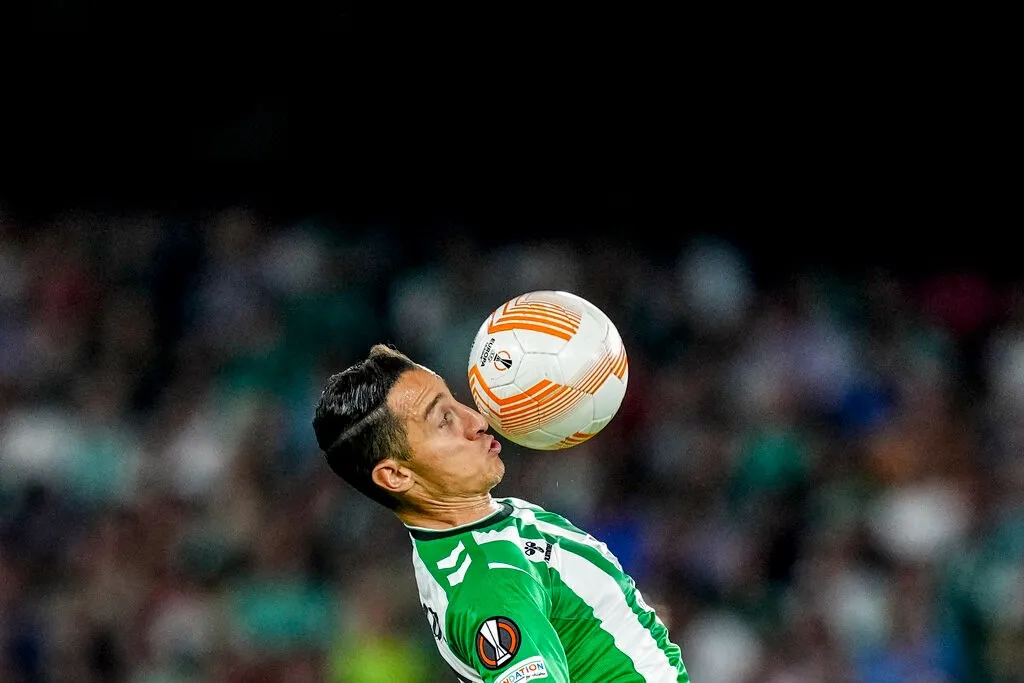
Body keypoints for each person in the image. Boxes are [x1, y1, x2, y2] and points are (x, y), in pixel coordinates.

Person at [312, 343, 690, 682]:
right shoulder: (491, 579)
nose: (477, 420)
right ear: (396, 475)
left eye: (455, 401)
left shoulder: (469, 537)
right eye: (444, 419)